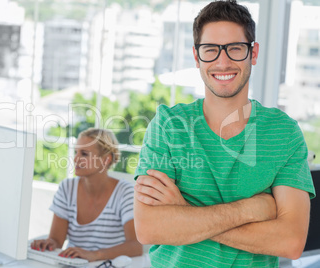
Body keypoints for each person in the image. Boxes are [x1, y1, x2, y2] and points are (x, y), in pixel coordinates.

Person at [133, 1, 316, 267]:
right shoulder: (168, 125)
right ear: (197, 57)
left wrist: (185, 213)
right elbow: (149, 228)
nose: (223, 61)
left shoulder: (284, 132)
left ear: (253, 54)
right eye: (210, 50)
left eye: (235, 48)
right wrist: (250, 210)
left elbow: (290, 242)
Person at [31, 128, 142, 261]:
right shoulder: (67, 188)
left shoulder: (125, 193)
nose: (76, 159)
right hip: (73, 264)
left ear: (106, 159)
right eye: (76, 152)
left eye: (84, 154)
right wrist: (49, 243)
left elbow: (135, 246)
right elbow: (57, 241)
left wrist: (95, 255)